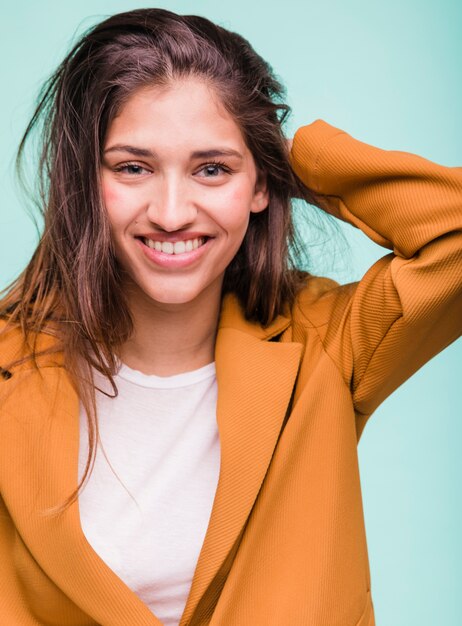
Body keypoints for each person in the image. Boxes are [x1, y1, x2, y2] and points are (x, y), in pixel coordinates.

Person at [0, 7, 460, 626]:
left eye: (211, 169)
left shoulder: (325, 346)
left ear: (261, 183)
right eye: (134, 167)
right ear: (86, 181)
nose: (171, 211)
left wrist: (300, 159)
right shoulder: (9, 365)